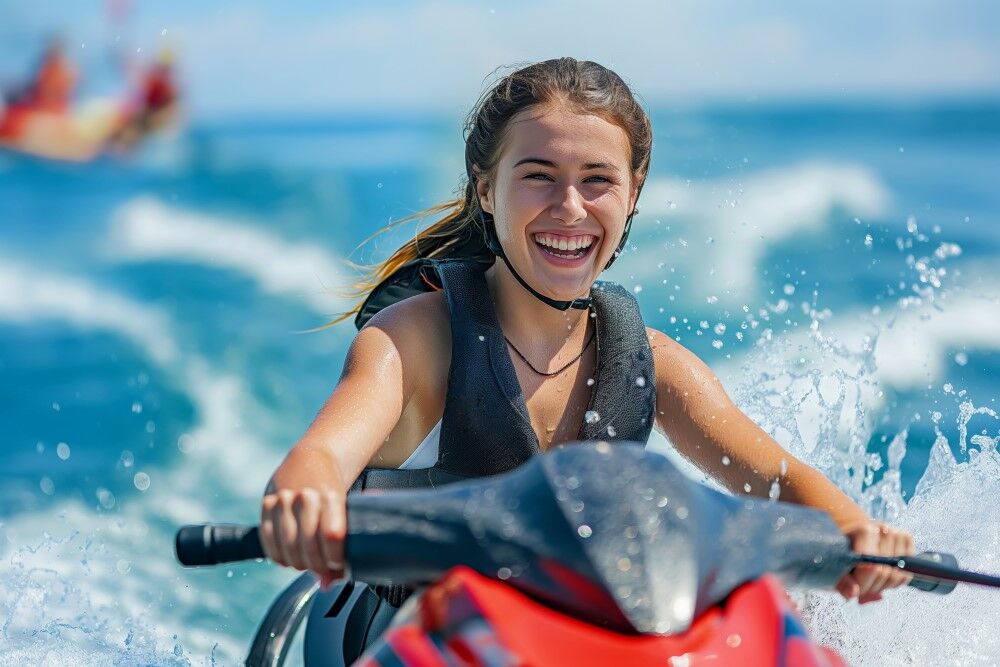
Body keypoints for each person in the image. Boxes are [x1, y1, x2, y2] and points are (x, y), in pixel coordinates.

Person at [261, 57, 913, 646]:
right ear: (488, 190)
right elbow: (318, 459)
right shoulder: (416, 340)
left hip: (575, 637)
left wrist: (857, 532)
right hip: (406, 631)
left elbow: (781, 480)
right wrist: (305, 500)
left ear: (631, 196)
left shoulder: (652, 362)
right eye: (538, 176)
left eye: (597, 180)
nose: (569, 208)